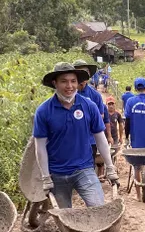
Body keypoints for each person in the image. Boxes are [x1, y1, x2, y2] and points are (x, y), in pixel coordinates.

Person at [33, 62, 119, 210]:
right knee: (66, 218)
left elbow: (100, 139)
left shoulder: (89, 106)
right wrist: (46, 176)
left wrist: (110, 167)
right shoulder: (44, 111)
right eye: (64, 81)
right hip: (57, 173)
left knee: (98, 209)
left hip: (84, 169)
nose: (69, 86)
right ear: (55, 83)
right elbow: (40, 147)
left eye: (73, 81)